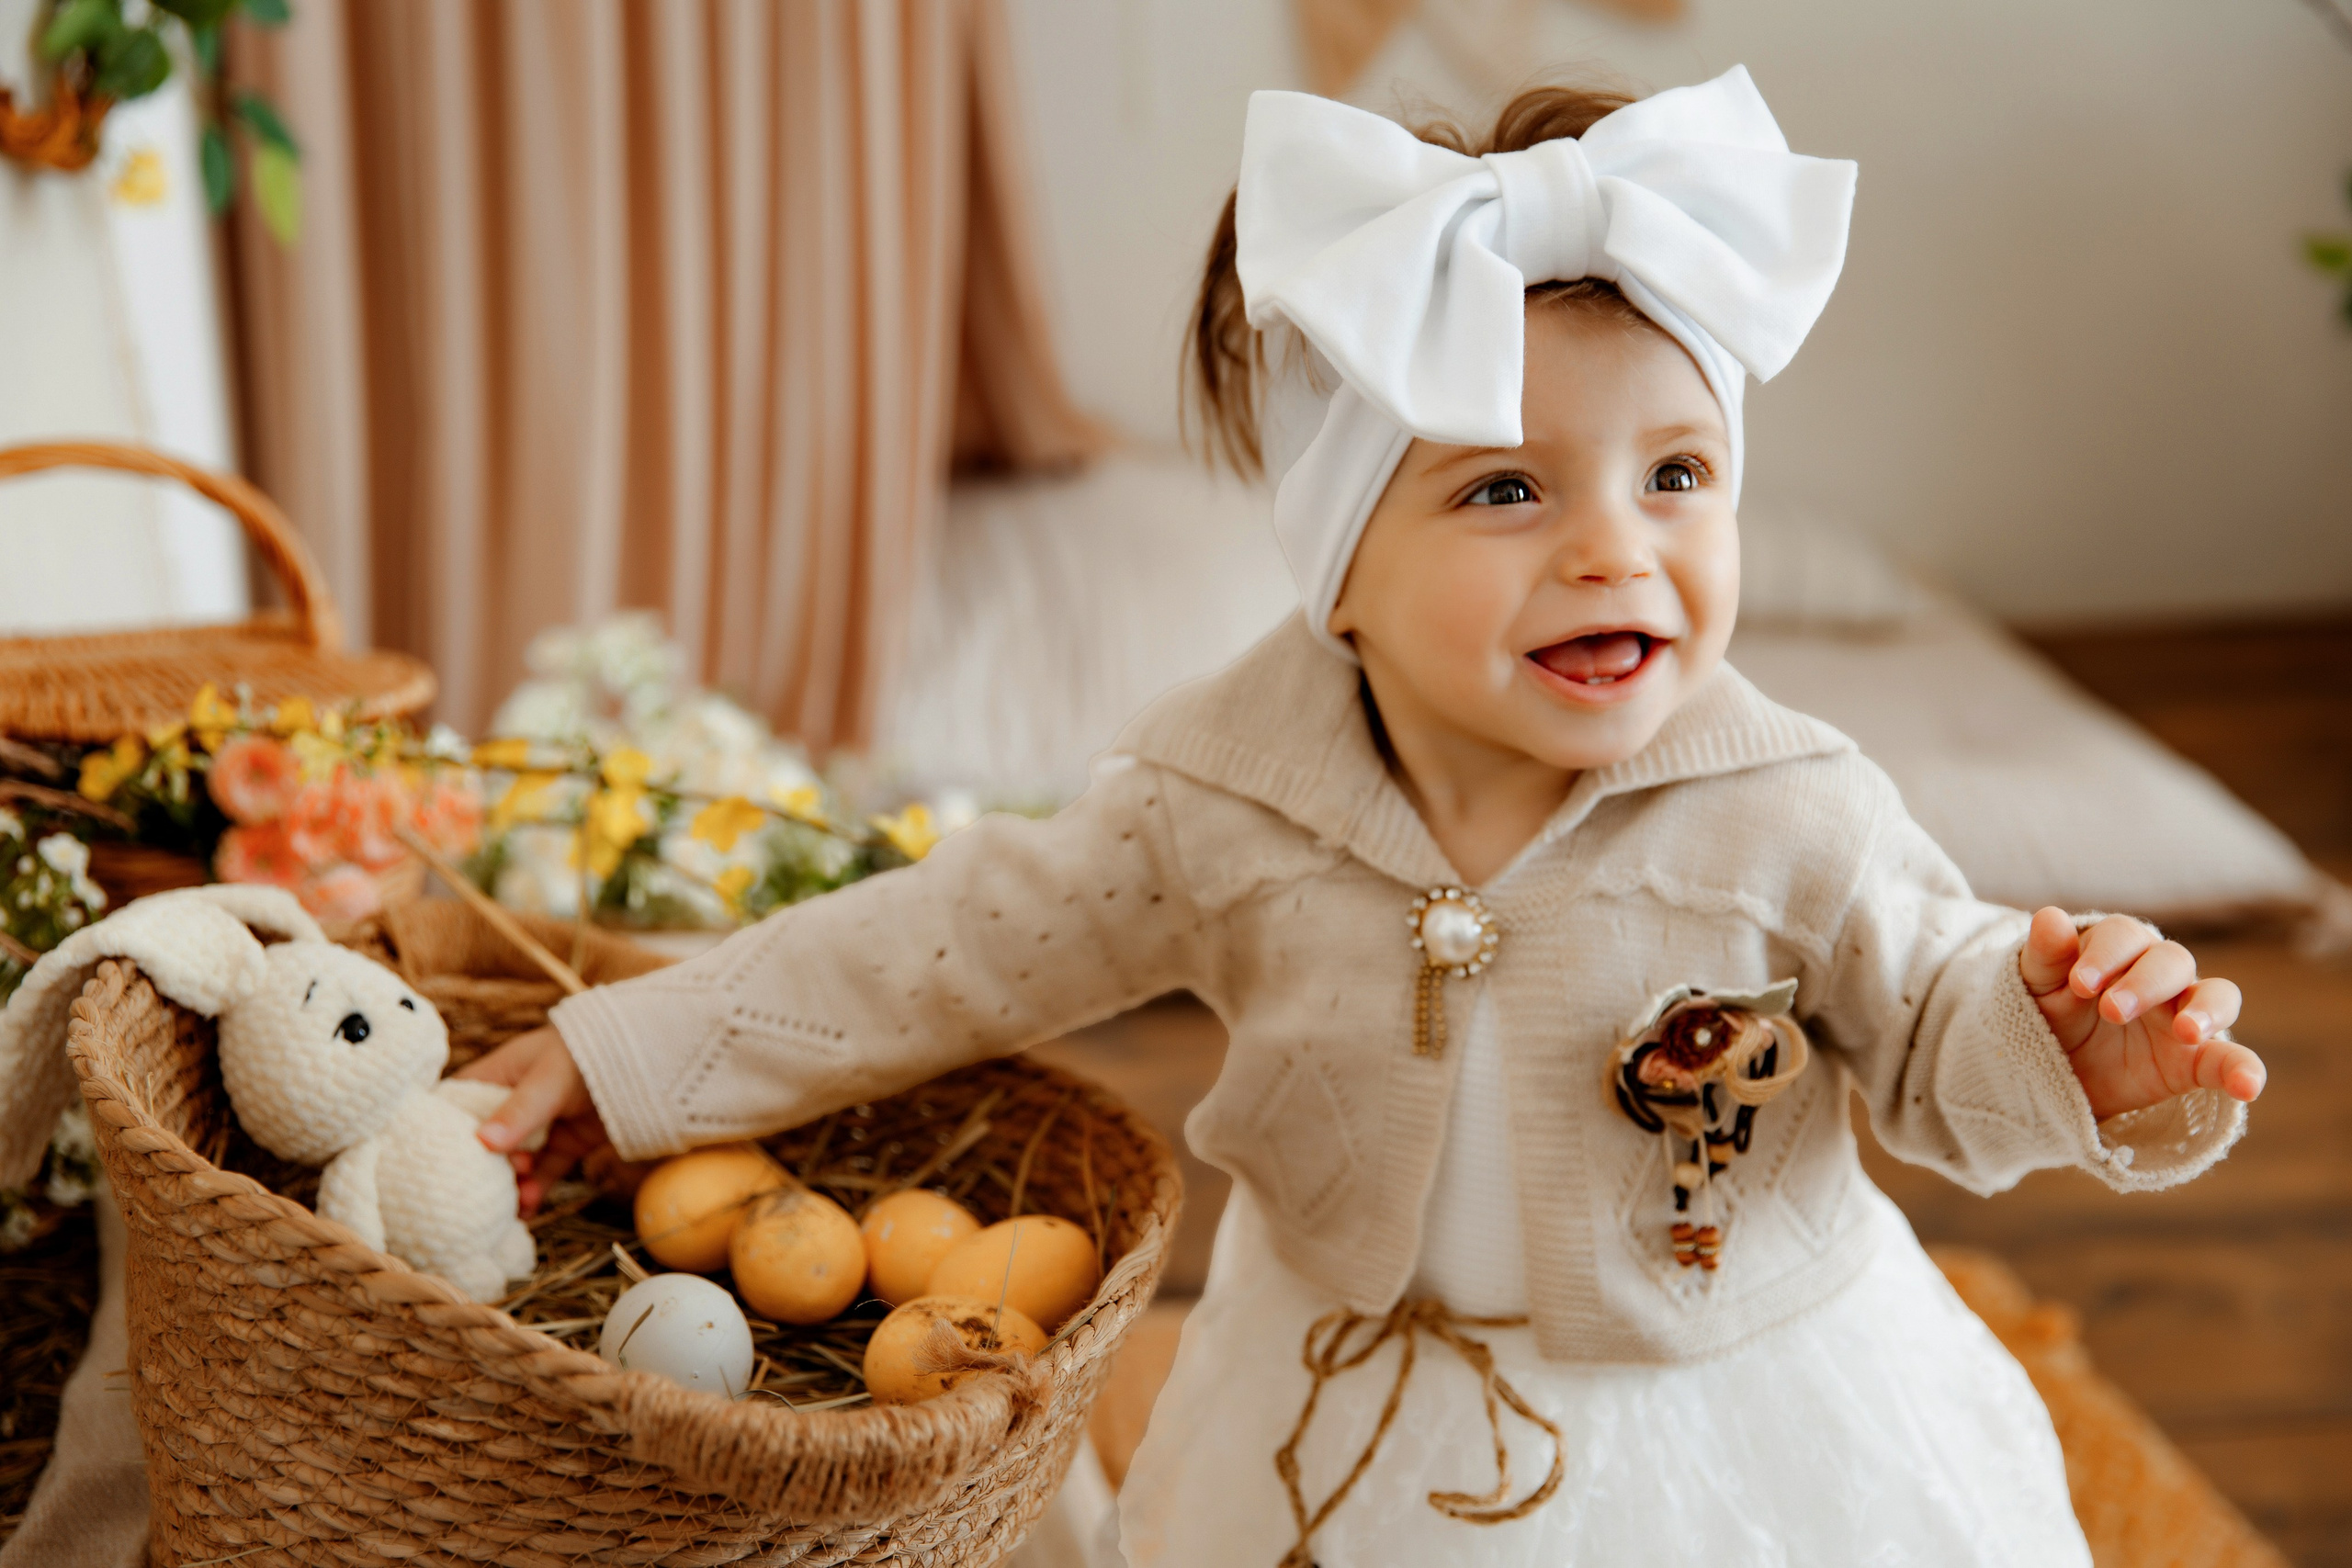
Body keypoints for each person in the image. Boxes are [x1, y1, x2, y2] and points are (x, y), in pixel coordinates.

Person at [460, 68, 2264, 1566]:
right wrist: (619, 1054)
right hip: (1344, 1397)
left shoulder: (1782, 805)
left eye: (1675, 474)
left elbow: (1939, 1002)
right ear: (1339, 568)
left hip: (1724, 1405)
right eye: (1503, 485)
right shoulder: (1223, 798)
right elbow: (932, 945)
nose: (1609, 545)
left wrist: (2077, 1037)